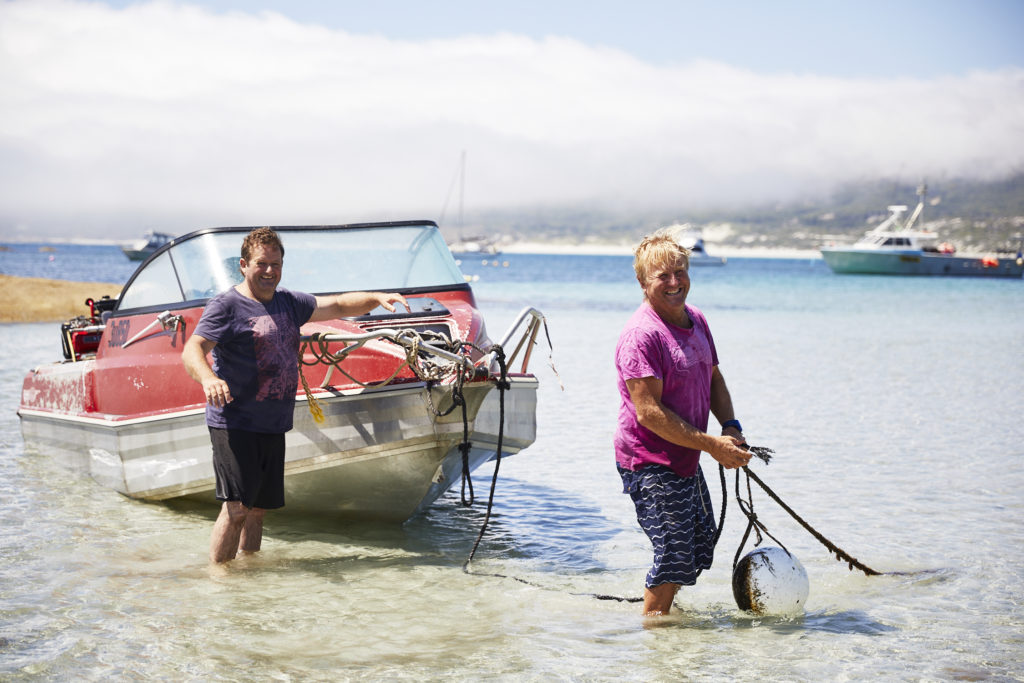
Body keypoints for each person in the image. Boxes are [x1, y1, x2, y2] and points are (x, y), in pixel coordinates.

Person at [182, 227, 408, 564]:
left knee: (258, 509)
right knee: (237, 508)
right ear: (244, 265)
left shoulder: (290, 302)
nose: (269, 271)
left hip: (273, 423)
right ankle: (220, 579)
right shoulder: (227, 305)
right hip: (235, 422)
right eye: (261, 264)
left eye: (276, 264)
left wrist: (376, 297)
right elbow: (192, 349)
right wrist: (208, 378)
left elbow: (338, 305)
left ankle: (249, 569)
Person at [614, 227, 752, 616]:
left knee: (699, 544)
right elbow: (649, 413)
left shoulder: (697, 320)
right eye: (663, 276)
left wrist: (731, 428)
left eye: (680, 273)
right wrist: (713, 446)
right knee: (674, 552)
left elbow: (714, 378)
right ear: (643, 282)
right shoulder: (641, 336)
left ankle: (663, 612)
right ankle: (656, 632)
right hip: (649, 460)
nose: (674, 283)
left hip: (687, 453)